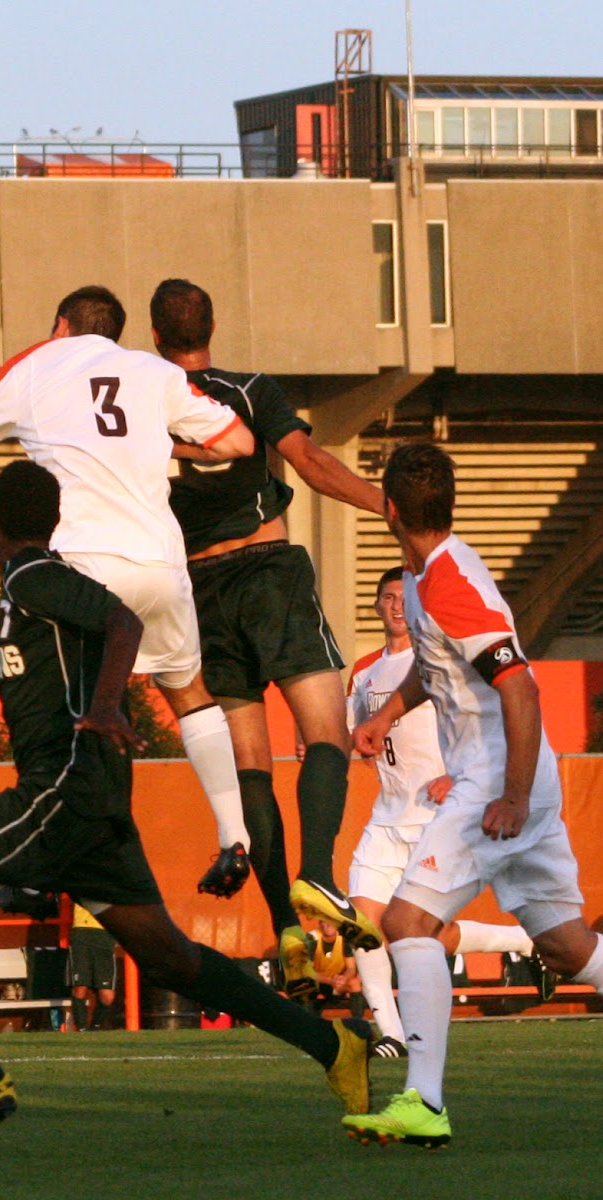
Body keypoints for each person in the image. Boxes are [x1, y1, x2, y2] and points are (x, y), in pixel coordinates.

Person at [0, 458, 372, 1129]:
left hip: (60, 788)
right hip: (91, 800)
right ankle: (333, 1044)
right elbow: (29, 683)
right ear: (53, 520)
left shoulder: (34, 577)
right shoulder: (33, 588)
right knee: (168, 958)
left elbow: (123, 622)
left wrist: (110, 704)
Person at [343, 442, 603, 1148]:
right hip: (508, 776)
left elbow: (521, 688)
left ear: (387, 511)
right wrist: (387, 713)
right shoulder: (423, 577)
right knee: (566, 947)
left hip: (497, 778)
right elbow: (445, 672)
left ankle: (424, 1100)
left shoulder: (445, 585)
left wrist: (508, 794)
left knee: (406, 923)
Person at [0, 284, 257, 897]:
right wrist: (160, 442)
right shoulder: (150, 370)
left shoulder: (33, 364)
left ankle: (33, 863)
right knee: (191, 694)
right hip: (160, 561)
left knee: (47, 698)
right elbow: (236, 443)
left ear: (61, 325)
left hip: (81, 565)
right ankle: (232, 838)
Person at [148, 278, 384, 999]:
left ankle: (285, 924)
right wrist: (388, 505)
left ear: (156, 337)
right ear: (211, 325)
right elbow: (310, 466)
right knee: (324, 734)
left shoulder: (146, 406)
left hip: (197, 592)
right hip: (267, 574)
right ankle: (317, 876)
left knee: (251, 759)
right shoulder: (249, 389)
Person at [347, 566, 548, 1057]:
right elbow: (361, 733)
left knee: (421, 936)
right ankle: (392, 1033)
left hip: (436, 817)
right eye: (387, 597)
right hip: (387, 815)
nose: (396, 606)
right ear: (375, 605)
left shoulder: (440, 661)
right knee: (363, 924)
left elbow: (480, 724)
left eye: (403, 597)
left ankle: (521, 940)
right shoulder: (363, 670)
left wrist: (457, 777)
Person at [69, 902, 118, 1030]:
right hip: (82, 933)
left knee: (107, 996)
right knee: (80, 988)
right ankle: (81, 1029)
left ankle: (94, 1028)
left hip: (104, 935)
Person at [306, 919, 365, 1018]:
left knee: (354, 983)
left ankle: (358, 1021)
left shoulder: (344, 938)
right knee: (305, 985)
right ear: (319, 923)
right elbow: (308, 970)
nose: (326, 925)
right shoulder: (312, 938)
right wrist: (329, 981)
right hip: (318, 981)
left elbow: (351, 968)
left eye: (330, 921)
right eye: (323, 921)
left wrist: (343, 978)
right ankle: (308, 1020)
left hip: (337, 982)